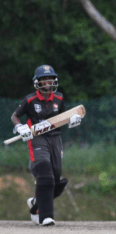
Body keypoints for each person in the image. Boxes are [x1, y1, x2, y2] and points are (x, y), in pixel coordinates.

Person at [10, 65, 82, 226]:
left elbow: (64, 117)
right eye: (44, 79)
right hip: (37, 138)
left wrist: (73, 120)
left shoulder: (59, 99)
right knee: (44, 171)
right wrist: (20, 127)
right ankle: (46, 216)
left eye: (50, 79)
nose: (48, 82)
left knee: (55, 179)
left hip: (55, 139)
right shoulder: (30, 100)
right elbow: (15, 116)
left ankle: (36, 205)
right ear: (38, 82)